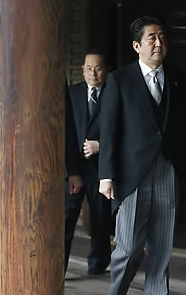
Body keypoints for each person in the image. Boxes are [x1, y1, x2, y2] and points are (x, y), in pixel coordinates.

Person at [98, 15, 186, 294]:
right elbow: (109, 131)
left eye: (162, 37)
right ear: (136, 45)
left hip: (167, 169)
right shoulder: (119, 80)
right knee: (129, 248)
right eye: (151, 38)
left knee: (162, 247)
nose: (158, 43)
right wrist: (106, 175)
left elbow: (184, 130)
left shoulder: (178, 79)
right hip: (131, 174)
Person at [0, 71, 82, 286]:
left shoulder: (53, 77)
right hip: (0, 177)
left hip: (44, 173)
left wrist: (73, 169)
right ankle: (5, 287)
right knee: (4, 242)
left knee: (40, 240)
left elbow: (68, 124)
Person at [65, 52, 112, 275]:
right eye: (90, 68)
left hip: (101, 167)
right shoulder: (71, 93)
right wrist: (70, 169)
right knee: (66, 218)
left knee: (102, 218)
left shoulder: (114, 93)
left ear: (106, 70)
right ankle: (59, 268)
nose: (94, 73)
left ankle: (98, 265)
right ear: (83, 69)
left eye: (99, 68)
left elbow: (124, 130)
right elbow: (65, 131)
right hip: (74, 167)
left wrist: (100, 145)